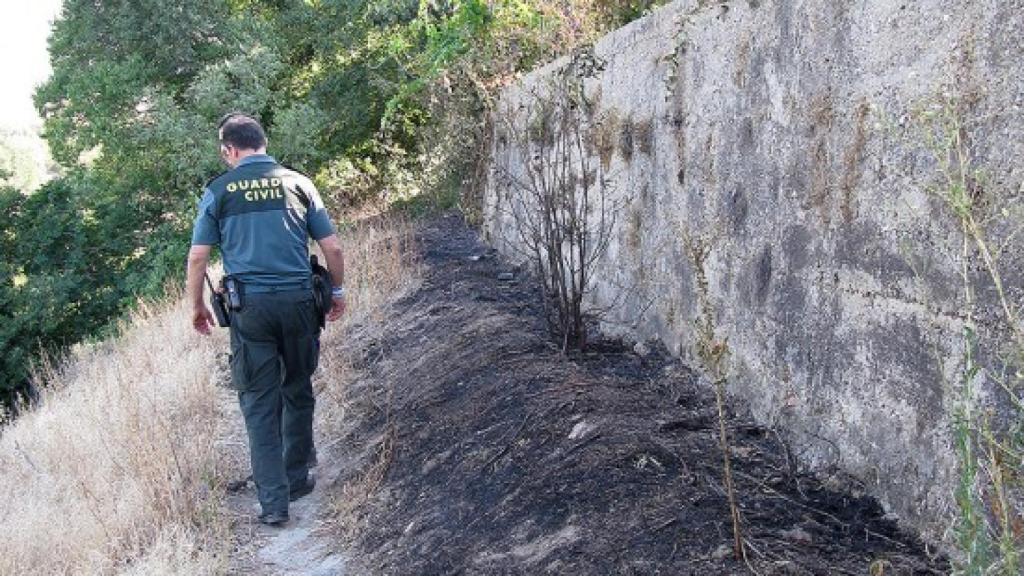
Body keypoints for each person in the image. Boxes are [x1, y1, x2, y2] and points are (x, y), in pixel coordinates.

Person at [186, 112, 346, 526]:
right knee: (297, 385)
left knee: (258, 401)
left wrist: (197, 306)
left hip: (249, 309)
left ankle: (274, 503)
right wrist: (339, 292)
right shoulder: (299, 183)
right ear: (264, 141)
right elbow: (332, 247)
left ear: (229, 150)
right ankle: (296, 477)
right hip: (299, 303)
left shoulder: (218, 191)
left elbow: (199, 256)